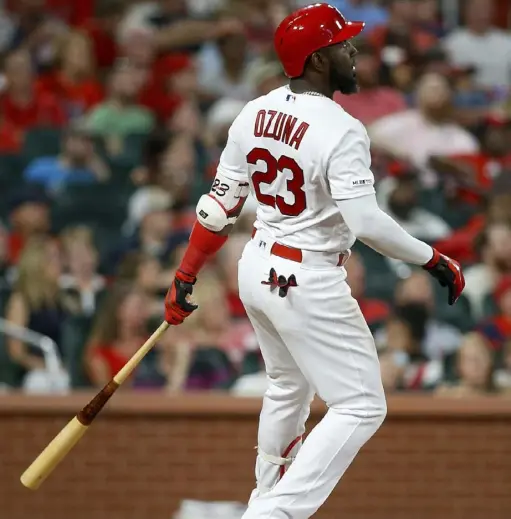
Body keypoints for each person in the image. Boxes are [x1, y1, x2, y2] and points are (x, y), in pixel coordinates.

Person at [162, 5, 466, 519]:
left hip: (256, 266)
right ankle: (275, 513)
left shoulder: (251, 111)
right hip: (305, 274)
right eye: (343, 45)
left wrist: (185, 274)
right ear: (318, 60)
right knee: (363, 404)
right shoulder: (342, 129)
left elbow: (218, 208)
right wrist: (433, 258)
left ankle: (263, 497)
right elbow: (367, 225)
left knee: (287, 387)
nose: (352, 53)